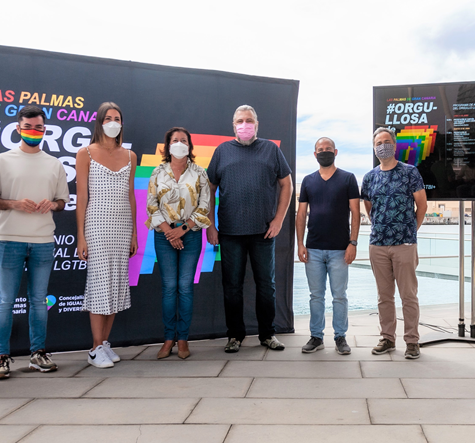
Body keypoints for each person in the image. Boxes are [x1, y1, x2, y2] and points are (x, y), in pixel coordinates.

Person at [0, 105, 70, 380]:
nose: (34, 132)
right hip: (9, 239)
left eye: (39, 128)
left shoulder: (53, 163)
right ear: (18, 129)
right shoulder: (1, 160)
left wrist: (51, 204)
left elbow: (62, 202)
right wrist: (14, 203)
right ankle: (2, 357)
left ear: (45, 130)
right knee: (5, 300)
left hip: (43, 240)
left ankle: (38, 353)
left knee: (38, 302)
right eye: (29, 127)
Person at [206, 105, 293, 353]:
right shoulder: (222, 151)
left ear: (257, 123)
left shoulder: (271, 150)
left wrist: (278, 220)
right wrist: (211, 225)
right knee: (232, 287)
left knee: (267, 286)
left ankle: (267, 334)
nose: (244, 124)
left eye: (249, 120)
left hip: (263, 232)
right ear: (233, 125)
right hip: (230, 233)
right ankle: (235, 335)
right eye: (240, 121)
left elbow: (287, 185)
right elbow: (209, 190)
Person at [75, 102, 137, 368]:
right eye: (108, 118)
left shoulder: (130, 156)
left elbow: (131, 195)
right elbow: (82, 196)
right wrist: (81, 235)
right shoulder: (85, 153)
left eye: (117, 118)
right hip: (96, 224)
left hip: (122, 227)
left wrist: (134, 232)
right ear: (99, 122)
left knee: (115, 285)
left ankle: (104, 343)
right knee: (100, 284)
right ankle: (94, 348)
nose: (113, 122)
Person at [360, 127, 427, 359]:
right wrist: (382, 226)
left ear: (394, 144)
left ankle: (412, 342)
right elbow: (369, 208)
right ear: (374, 147)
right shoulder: (369, 177)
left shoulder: (410, 172)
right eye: (378, 142)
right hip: (377, 244)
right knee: (384, 296)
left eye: (386, 141)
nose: (382, 145)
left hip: (404, 244)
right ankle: (387, 338)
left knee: (408, 295)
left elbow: (422, 206)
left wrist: (410, 231)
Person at [146, 126, 211, 360]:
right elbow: (151, 206)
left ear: (190, 146)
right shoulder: (157, 172)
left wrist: (182, 230)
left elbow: (205, 206)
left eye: (184, 140)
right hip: (164, 236)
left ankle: (183, 339)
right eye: (175, 140)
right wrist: (169, 232)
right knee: (169, 287)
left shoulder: (200, 173)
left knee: (184, 287)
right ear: (168, 145)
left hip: (191, 234)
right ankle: (168, 339)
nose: (180, 143)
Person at [296, 137, 360, 355]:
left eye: (328, 149)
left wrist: (353, 242)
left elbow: (356, 213)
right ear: (315, 154)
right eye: (320, 150)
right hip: (313, 248)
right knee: (316, 296)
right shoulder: (307, 180)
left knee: (339, 296)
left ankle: (340, 337)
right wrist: (300, 244)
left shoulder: (348, 179)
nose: (324, 152)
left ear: (336, 152)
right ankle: (316, 337)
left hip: (340, 249)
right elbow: (302, 214)